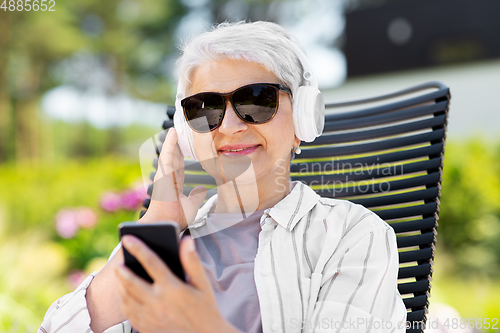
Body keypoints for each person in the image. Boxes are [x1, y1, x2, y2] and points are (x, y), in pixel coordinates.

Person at [39, 21, 407, 333]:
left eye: (258, 100)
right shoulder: (168, 235)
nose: (230, 127)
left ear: (303, 120)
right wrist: (157, 223)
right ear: (186, 132)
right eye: (205, 108)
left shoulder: (351, 235)